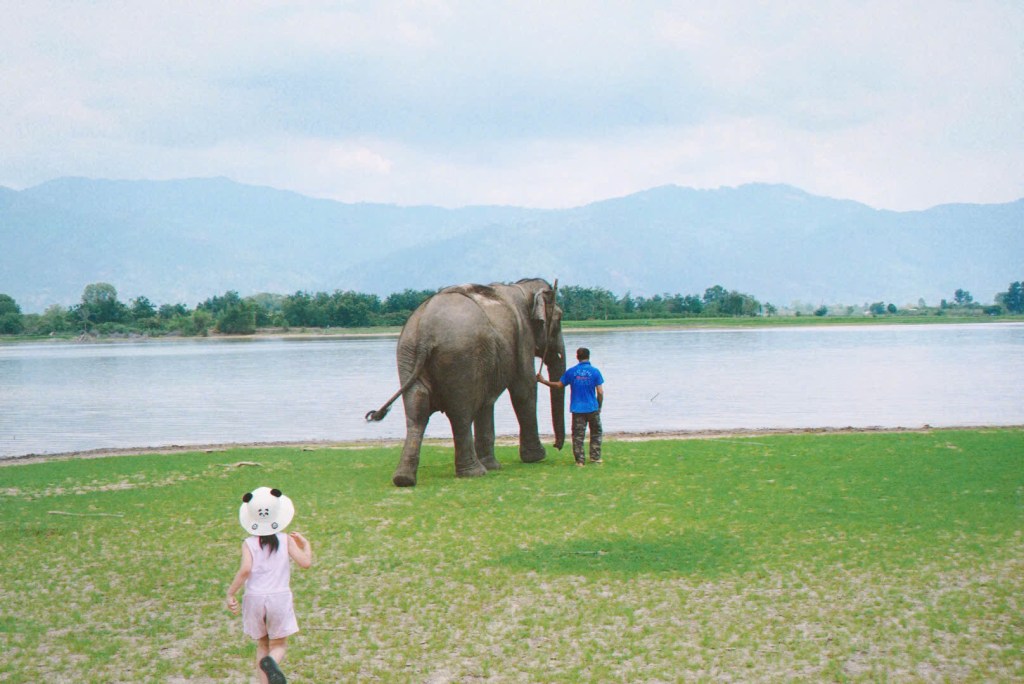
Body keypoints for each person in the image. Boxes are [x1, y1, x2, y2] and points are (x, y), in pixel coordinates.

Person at [226, 486, 313, 684]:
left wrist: (231, 593)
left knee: (262, 644)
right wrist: (306, 545)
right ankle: (272, 662)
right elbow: (305, 563)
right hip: (279, 598)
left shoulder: (248, 543)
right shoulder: (285, 540)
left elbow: (245, 569)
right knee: (279, 644)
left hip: (254, 598)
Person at [538, 346, 604, 466]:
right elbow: (600, 392)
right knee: (596, 432)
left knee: (578, 435)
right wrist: (599, 405)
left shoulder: (571, 372)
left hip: (577, 408)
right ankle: (595, 457)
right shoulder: (595, 371)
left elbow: (558, 385)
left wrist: (543, 381)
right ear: (589, 356)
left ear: (577, 357)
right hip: (592, 407)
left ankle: (580, 461)